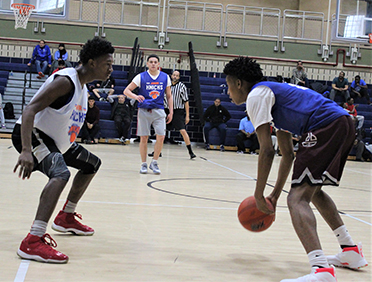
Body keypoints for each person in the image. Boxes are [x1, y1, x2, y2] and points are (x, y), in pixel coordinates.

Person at [223, 57, 368, 282]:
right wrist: (274, 194)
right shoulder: (275, 95)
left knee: (297, 199)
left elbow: (267, 151)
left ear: (239, 83)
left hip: (326, 124)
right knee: (313, 192)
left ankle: (321, 270)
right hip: (342, 122)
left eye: (229, 86)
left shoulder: (256, 95)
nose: (228, 93)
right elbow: (287, 153)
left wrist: (259, 195)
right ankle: (350, 251)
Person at [12, 37, 115, 263]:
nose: (111, 68)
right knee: (60, 173)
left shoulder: (83, 87)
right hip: (32, 134)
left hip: (56, 141)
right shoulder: (65, 81)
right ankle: (32, 241)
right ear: (92, 62)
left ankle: (66, 216)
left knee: (91, 164)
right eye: (108, 63)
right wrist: (27, 150)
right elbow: (30, 110)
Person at [124, 54, 173, 174]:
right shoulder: (141, 77)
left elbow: (169, 96)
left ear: (159, 64)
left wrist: (171, 111)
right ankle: (144, 164)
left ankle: (154, 162)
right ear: (147, 64)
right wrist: (136, 96)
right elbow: (126, 91)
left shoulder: (165, 77)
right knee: (144, 138)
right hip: (144, 110)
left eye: (155, 62)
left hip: (159, 110)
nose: (153, 64)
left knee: (161, 136)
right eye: (151, 62)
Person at [161, 70, 196, 159]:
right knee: (161, 131)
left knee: (183, 131)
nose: (175, 76)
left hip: (178, 111)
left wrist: (187, 115)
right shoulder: (166, 86)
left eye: (177, 75)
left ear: (179, 77)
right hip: (166, 110)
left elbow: (186, 101)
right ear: (171, 76)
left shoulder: (182, 87)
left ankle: (191, 152)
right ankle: (157, 151)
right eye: (174, 75)